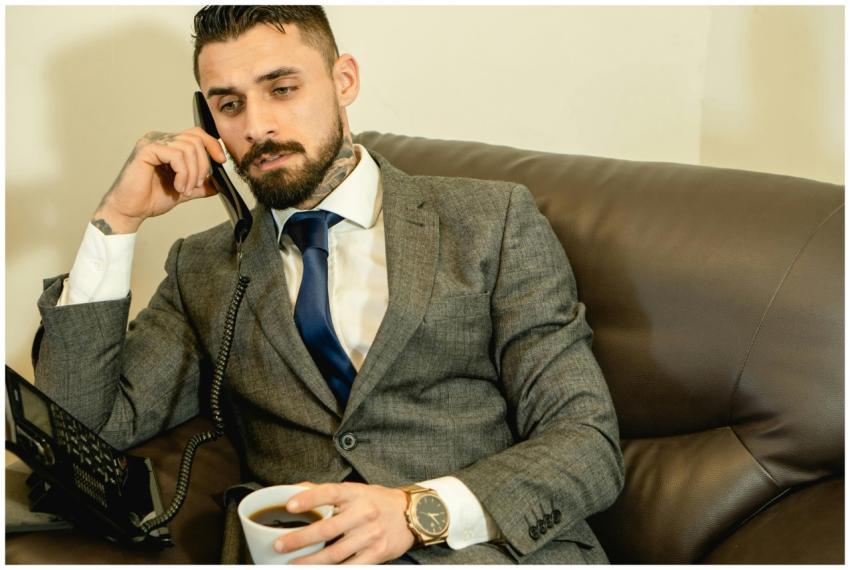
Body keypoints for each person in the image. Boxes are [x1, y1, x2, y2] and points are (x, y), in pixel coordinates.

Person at [34, 5, 624, 564]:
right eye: (229, 105)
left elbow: (586, 441)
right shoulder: (204, 267)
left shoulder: (492, 222)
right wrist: (117, 220)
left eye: (282, 89)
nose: (257, 126)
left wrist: (418, 512)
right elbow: (83, 431)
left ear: (344, 80)